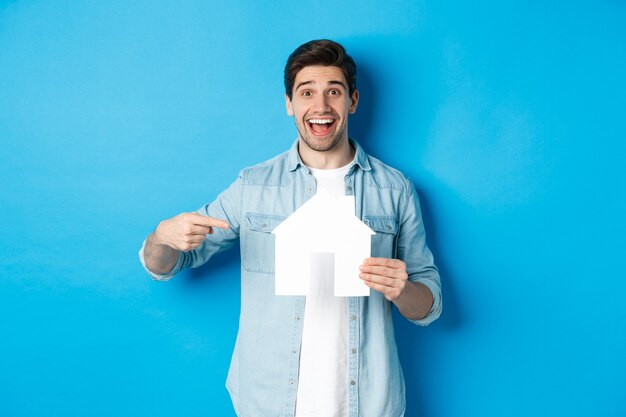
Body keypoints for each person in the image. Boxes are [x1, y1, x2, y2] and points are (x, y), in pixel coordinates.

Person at [139, 39, 442, 417]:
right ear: (289, 103)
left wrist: (403, 290)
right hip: (267, 402)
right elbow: (164, 264)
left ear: (353, 101)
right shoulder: (253, 187)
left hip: (367, 403)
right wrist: (161, 236)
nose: (321, 106)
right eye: (306, 92)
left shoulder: (394, 190)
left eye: (334, 91)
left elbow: (428, 304)